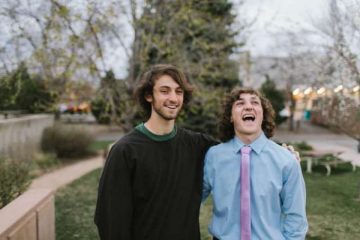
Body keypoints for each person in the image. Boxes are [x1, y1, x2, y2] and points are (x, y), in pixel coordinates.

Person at [94, 64, 217, 240]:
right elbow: (111, 220)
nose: (173, 98)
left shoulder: (197, 145)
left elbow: (236, 152)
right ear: (148, 95)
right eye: (165, 91)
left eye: (179, 92)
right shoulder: (125, 151)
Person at [202, 87, 308, 240]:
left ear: (262, 115)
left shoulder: (286, 160)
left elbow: (296, 217)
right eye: (240, 103)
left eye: (255, 102)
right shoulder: (213, 156)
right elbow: (191, 199)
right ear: (231, 116)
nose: (248, 106)